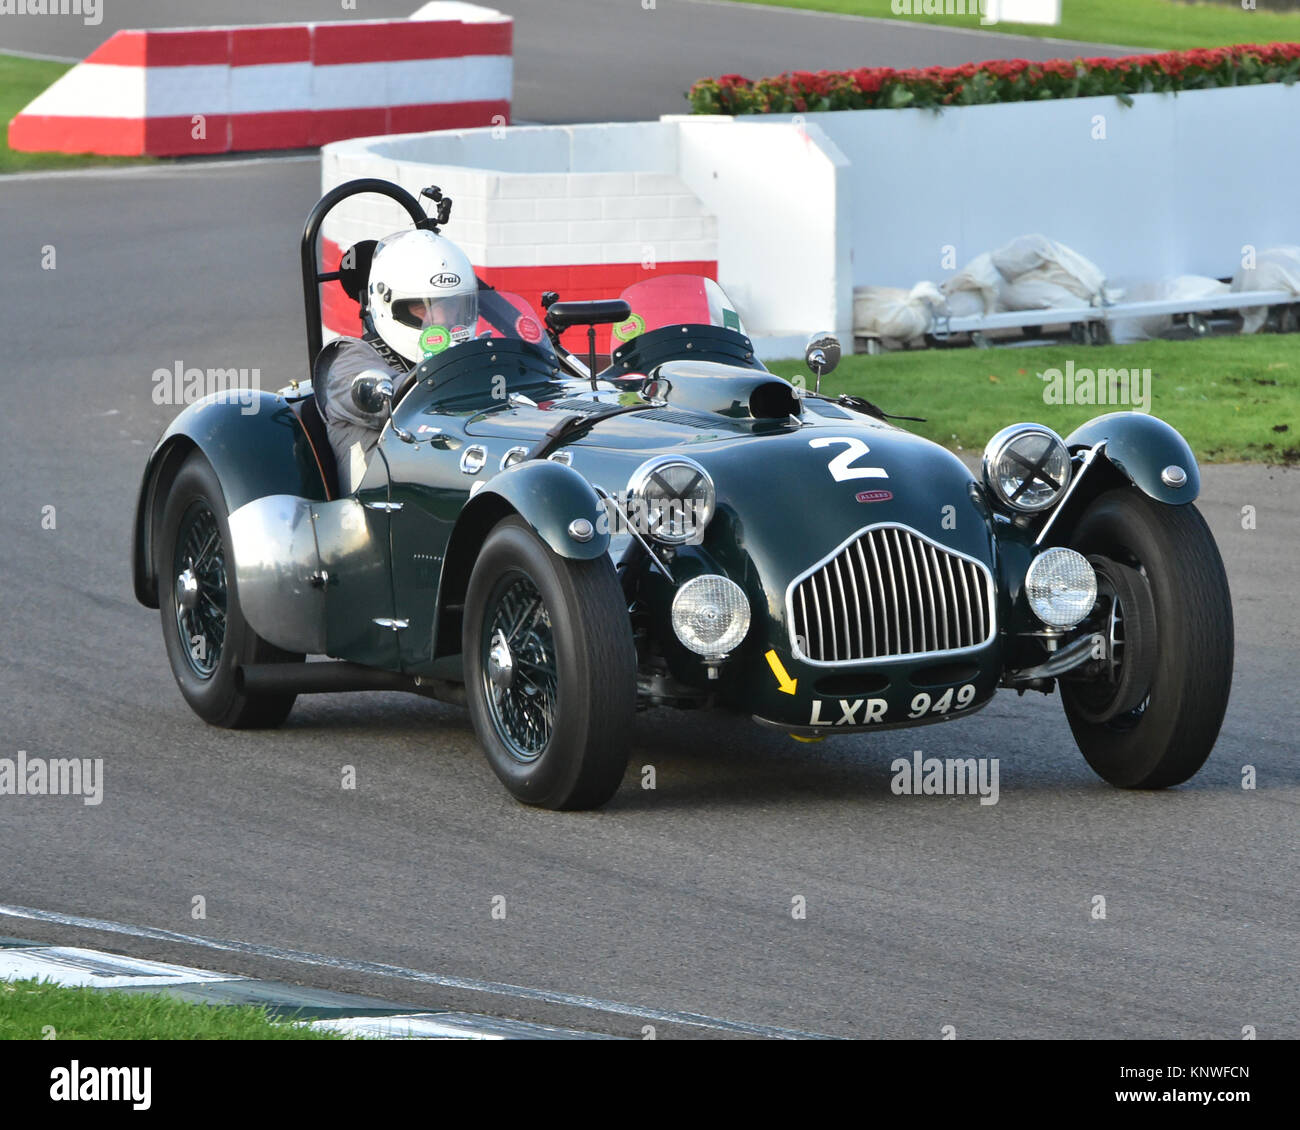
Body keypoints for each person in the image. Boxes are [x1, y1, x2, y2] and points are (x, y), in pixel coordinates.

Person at [318, 227, 478, 494]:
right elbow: (405, 405)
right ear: (388, 305)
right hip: (378, 512)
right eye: (422, 308)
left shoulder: (465, 356)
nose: (440, 320)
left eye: (450, 306)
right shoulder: (348, 360)